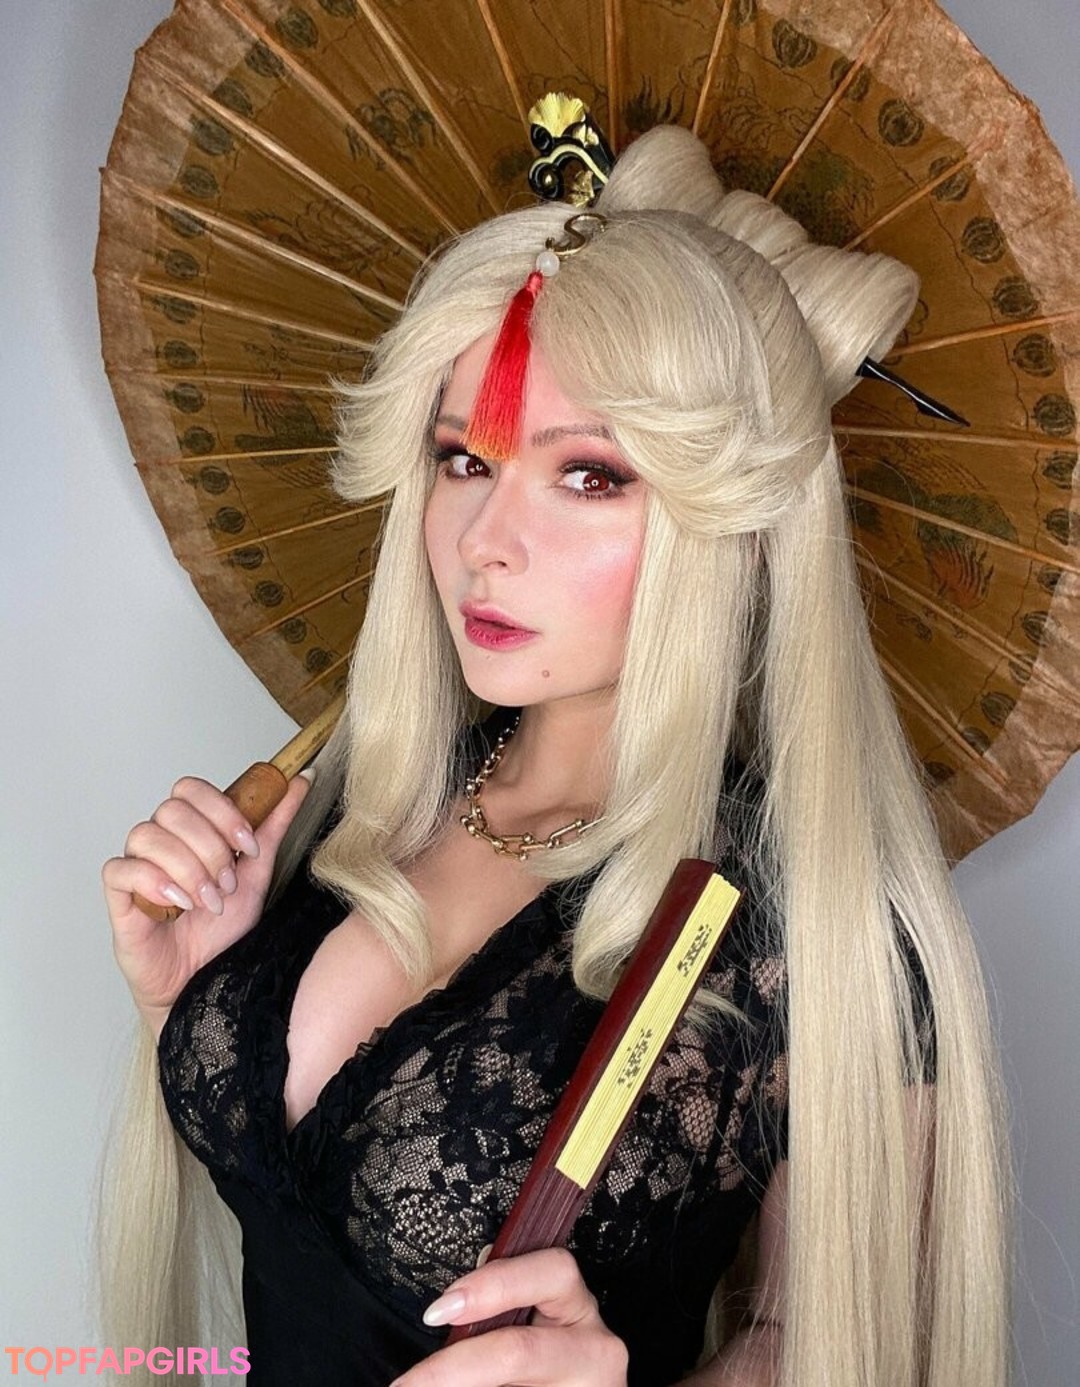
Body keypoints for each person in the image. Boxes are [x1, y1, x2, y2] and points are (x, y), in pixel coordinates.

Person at [99, 125, 1010, 1387]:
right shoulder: (356, 809)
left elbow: (847, 1350)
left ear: (731, 522)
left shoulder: (814, 928)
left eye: (586, 476)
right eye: (463, 458)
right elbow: (302, 1230)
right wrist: (191, 995)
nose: (486, 538)